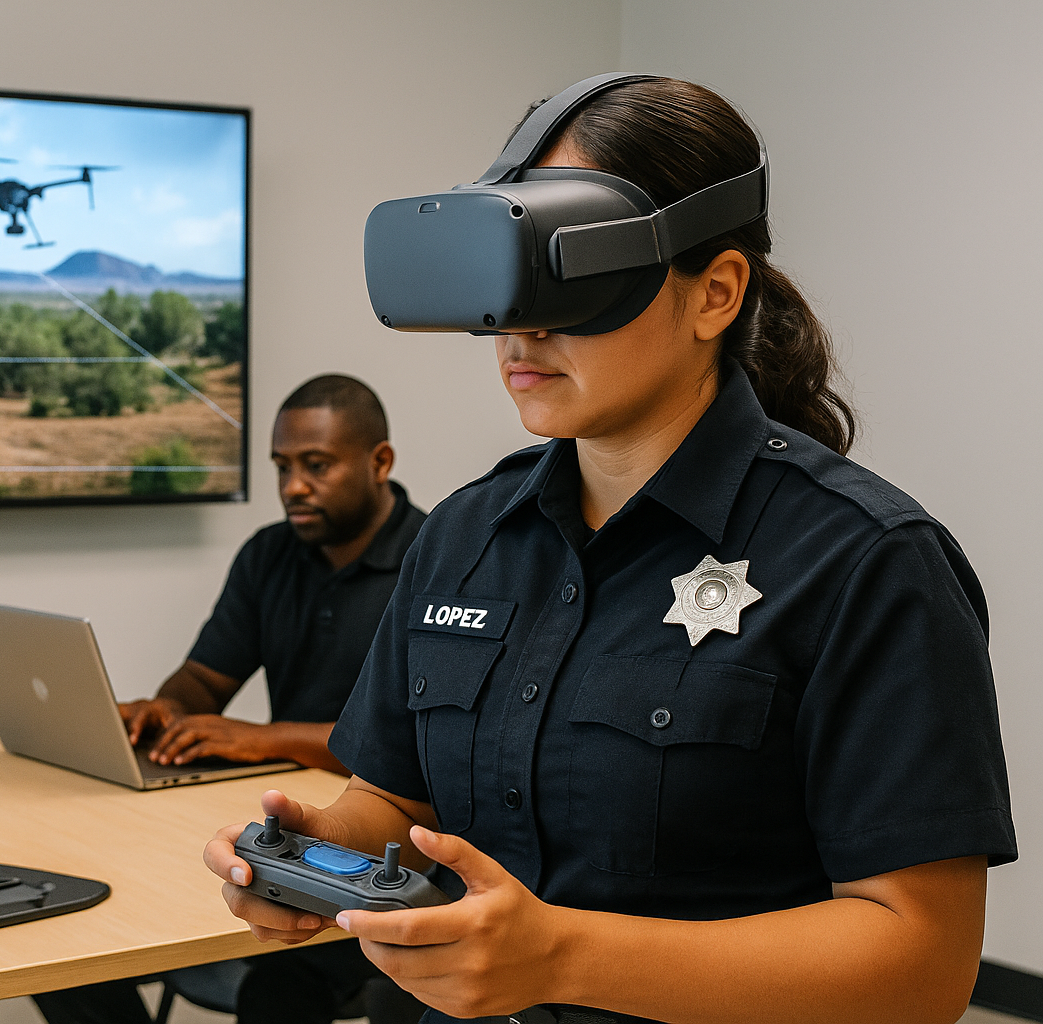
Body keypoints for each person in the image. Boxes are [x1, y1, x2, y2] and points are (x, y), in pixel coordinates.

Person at [204, 77, 1016, 1024]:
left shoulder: (867, 565)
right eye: (509, 280)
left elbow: (921, 963)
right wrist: (310, 851)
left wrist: (563, 959)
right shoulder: (466, 536)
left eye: (575, 279)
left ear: (715, 293)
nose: (521, 327)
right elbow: (395, 801)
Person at [35, 373, 428, 1024]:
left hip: (364, 857)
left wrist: (262, 738)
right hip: (268, 830)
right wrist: (169, 707)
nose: (293, 487)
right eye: (282, 467)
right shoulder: (270, 554)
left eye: (316, 465)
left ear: (379, 462)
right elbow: (203, 680)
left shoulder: (436, 562)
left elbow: (419, 752)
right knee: (56, 930)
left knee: (279, 988)